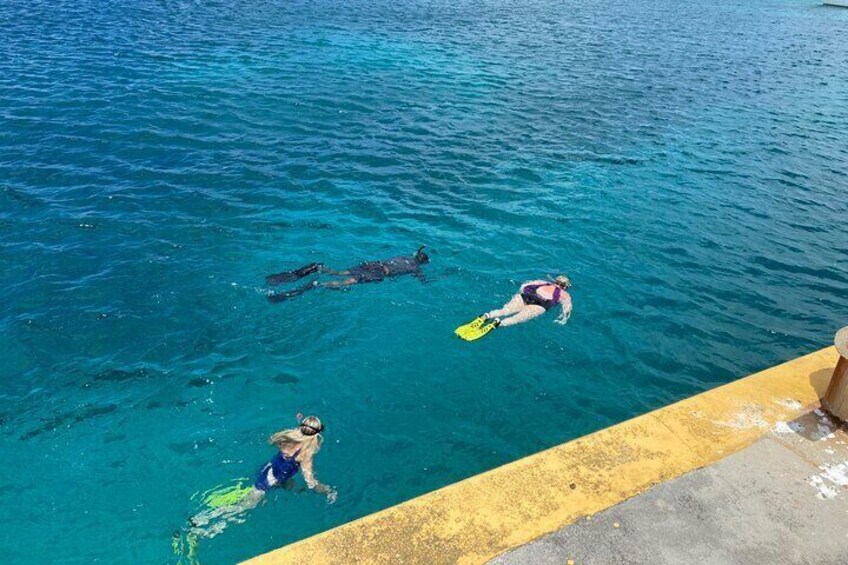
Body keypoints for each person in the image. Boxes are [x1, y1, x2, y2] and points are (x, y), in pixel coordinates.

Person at [184, 414, 336, 540]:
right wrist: (328, 490)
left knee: (290, 485)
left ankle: (200, 520)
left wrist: (300, 419)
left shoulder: (287, 438)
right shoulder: (305, 455)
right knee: (241, 509)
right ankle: (201, 525)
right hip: (268, 483)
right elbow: (311, 483)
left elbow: (276, 439)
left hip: (267, 470)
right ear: (317, 434)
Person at [266, 246, 430, 302]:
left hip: (374, 264)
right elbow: (424, 282)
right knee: (347, 282)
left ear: (415, 254)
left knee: (339, 272)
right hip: (379, 272)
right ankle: (317, 284)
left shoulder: (404, 257)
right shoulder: (416, 268)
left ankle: (318, 268)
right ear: (422, 262)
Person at [455, 275, 573, 341]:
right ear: (565, 286)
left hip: (526, 295)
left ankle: (487, 316)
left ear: (555, 281)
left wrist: (519, 295)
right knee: (516, 318)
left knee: (504, 310)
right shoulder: (565, 295)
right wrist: (563, 320)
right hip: (540, 304)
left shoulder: (542, 282)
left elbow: (524, 286)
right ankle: (496, 323)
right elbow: (567, 309)